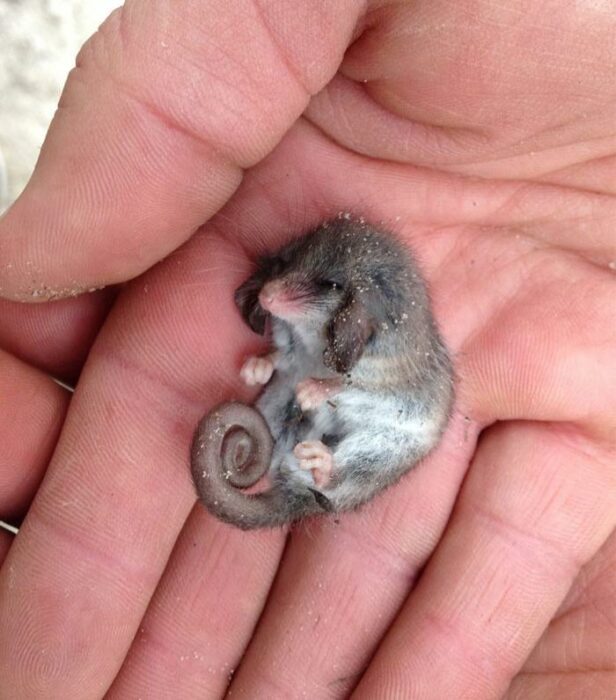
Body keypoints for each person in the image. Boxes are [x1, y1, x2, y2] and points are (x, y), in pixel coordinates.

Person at [0, 2, 614, 697]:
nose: (278, 294)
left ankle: (324, 480)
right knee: (290, 369)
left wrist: (328, 391)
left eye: (306, 288)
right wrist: (283, 352)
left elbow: (360, 373)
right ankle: (293, 444)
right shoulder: (333, 287)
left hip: (381, 420)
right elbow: (304, 325)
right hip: (320, 384)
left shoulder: (390, 349)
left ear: (358, 320)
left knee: (375, 440)